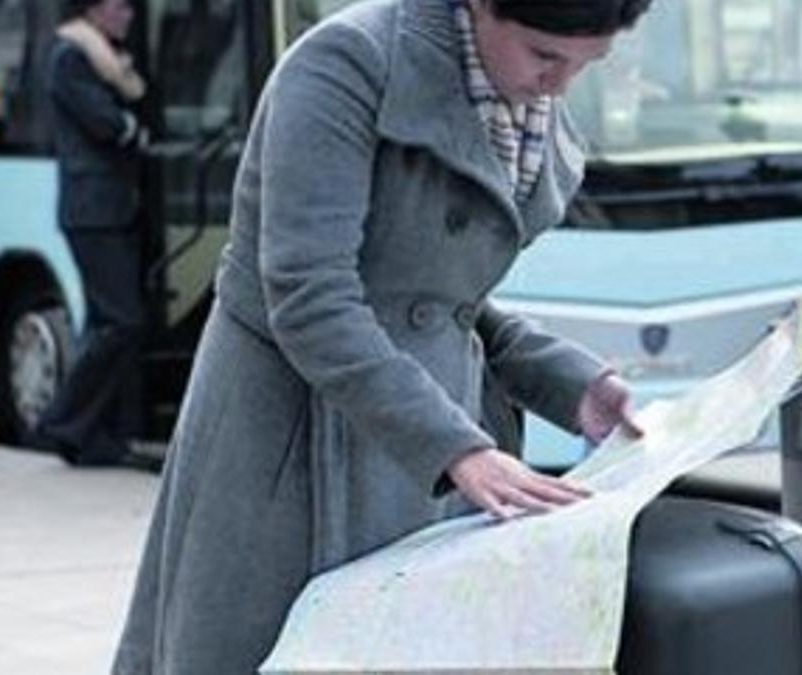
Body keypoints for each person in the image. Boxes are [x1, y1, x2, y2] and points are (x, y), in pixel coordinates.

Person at [111, 0, 653, 672]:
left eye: (587, 64)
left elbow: (441, 300)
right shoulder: (346, 65)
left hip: (425, 445)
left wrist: (574, 387)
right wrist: (455, 447)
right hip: (286, 438)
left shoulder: (525, 101)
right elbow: (310, 296)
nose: (561, 84)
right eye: (545, 56)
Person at [35, 0, 146, 466]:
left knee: (105, 320)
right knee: (123, 320)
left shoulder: (107, 57)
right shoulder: (72, 56)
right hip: (92, 209)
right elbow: (103, 122)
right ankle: (61, 421)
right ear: (94, 10)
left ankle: (91, 436)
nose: (128, 16)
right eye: (119, 6)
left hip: (111, 208)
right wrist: (129, 127)